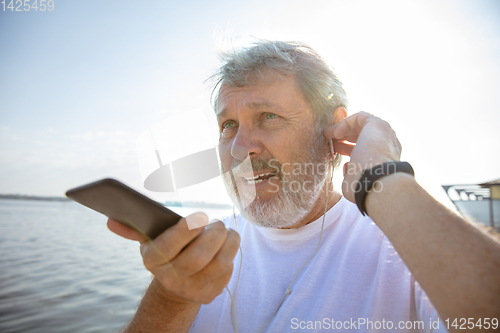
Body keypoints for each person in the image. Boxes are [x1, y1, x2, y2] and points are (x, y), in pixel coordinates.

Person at [108, 40, 500, 332]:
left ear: (332, 129)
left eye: (269, 116)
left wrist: (380, 178)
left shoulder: (404, 249)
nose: (241, 148)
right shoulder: (204, 250)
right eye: (228, 125)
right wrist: (172, 295)